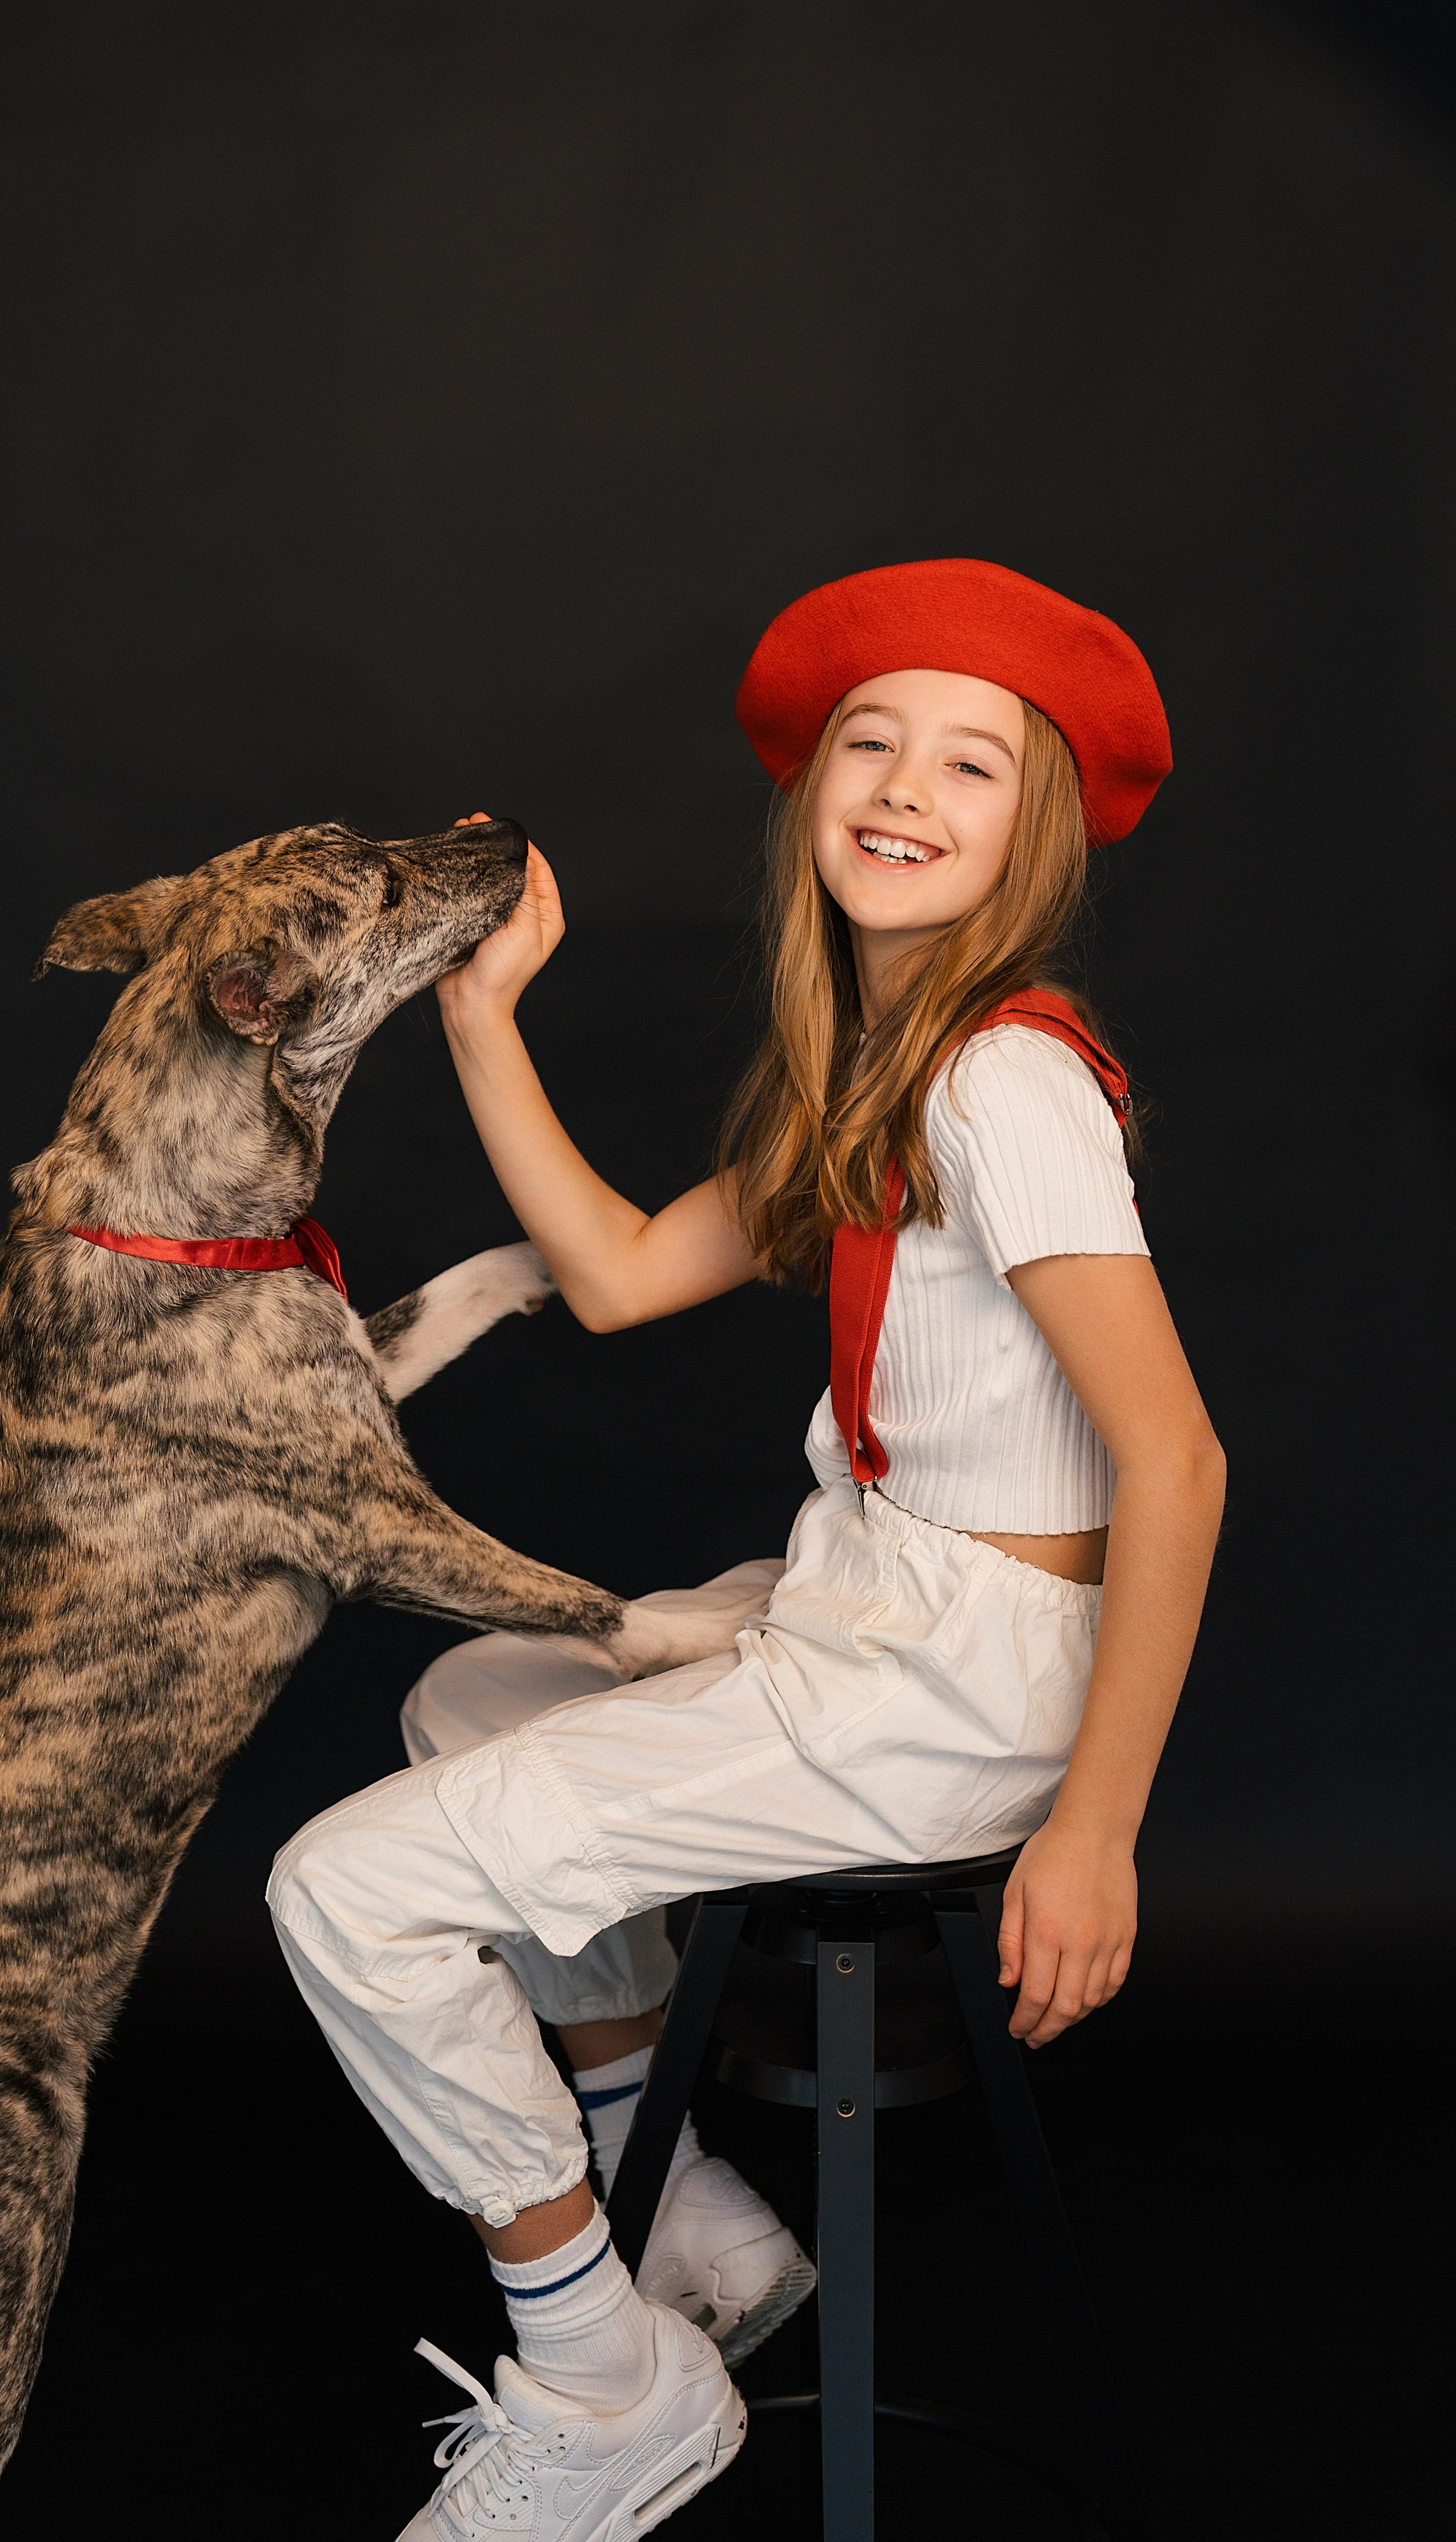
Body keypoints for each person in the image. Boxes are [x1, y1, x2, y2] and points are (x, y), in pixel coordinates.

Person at [267, 559, 1226, 2541]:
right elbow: (617, 1276)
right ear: (812, 797)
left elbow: (1178, 1458)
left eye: (970, 762)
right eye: (870, 741)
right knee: (471, 1691)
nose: (903, 782)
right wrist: (483, 1010)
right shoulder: (877, 1080)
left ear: (1022, 832)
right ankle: (679, 2206)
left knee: (339, 1894)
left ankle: (605, 2376)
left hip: (957, 1671)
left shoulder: (1005, 1082)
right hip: (869, 1605)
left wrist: (1098, 1826)